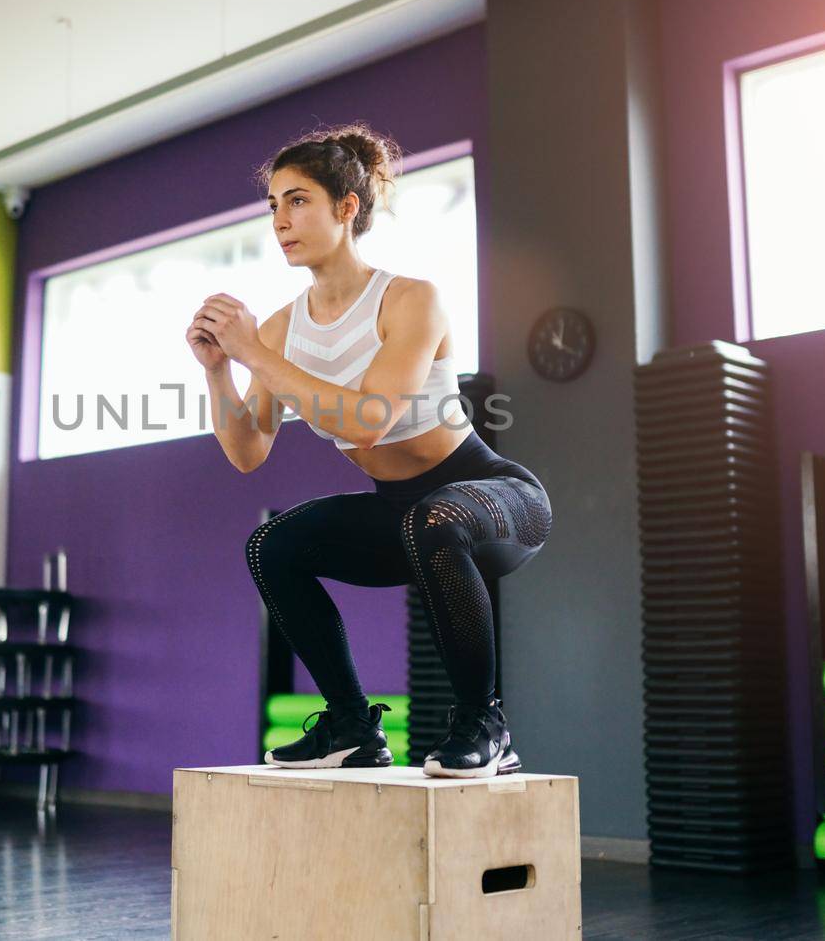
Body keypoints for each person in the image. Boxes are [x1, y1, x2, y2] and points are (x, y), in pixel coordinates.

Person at [186, 123, 553, 779]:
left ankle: (485, 722)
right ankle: (352, 724)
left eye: (297, 200)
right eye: (273, 204)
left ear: (346, 208)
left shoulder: (410, 299)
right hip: (403, 513)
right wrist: (219, 369)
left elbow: (367, 425)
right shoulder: (281, 329)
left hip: (494, 497)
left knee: (434, 518)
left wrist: (256, 355)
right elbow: (247, 450)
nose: (280, 219)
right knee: (272, 545)